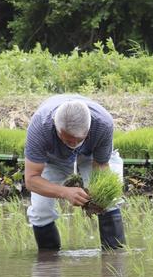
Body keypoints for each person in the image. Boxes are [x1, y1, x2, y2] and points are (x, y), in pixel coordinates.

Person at [24, 95, 126, 251]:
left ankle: (114, 262)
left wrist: (97, 195)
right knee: (40, 210)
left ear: (88, 129)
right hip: (53, 157)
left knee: (109, 200)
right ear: (57, 129)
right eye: (69, 140)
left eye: (79, 139)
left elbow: (101, 166)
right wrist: (65, 192)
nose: (74, 144)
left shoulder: (103, 124)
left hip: (91, 154)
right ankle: (47, 265)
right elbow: (31, 180)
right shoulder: (40, 127)